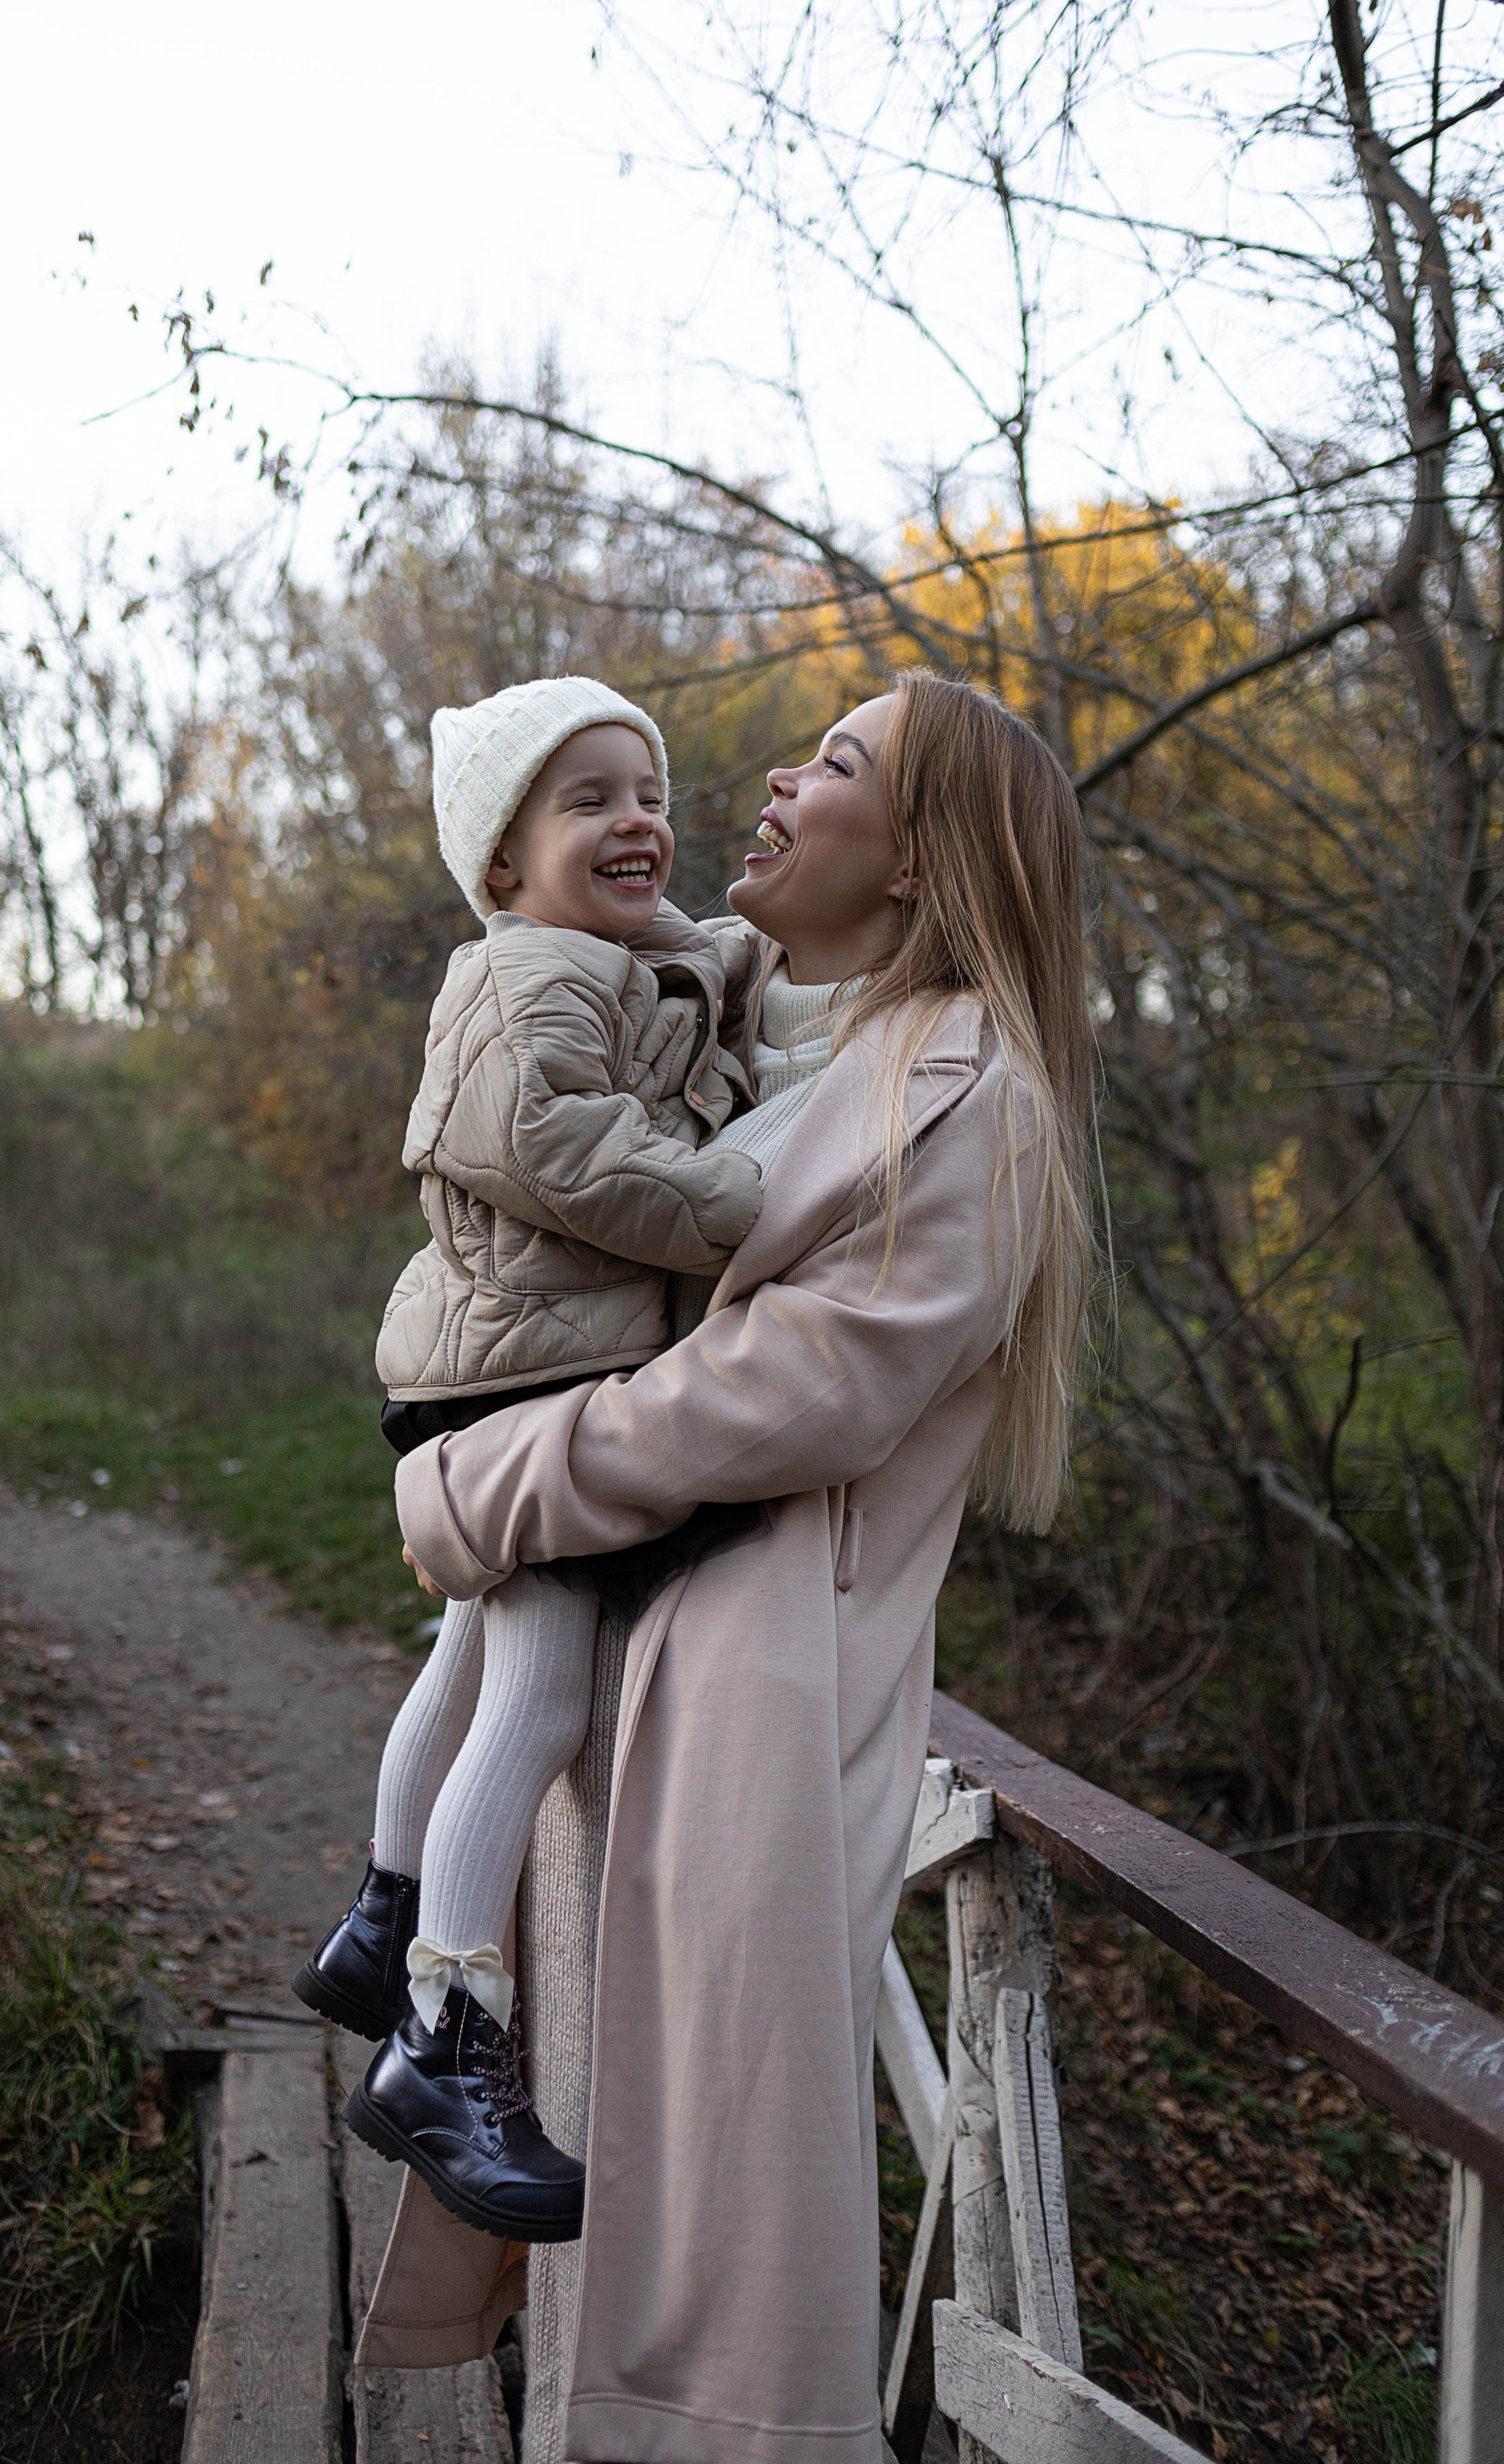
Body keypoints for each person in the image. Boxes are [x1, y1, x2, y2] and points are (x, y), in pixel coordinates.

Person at [361, 669, 1094, 2464]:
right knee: (595, 2170)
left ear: (921, 855)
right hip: (627, 1655)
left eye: (838, 762)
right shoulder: (763, 1023)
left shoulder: (970, 1101)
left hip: (752, 1701)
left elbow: (780, 1398)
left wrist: (468, 1489)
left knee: (702, 2243)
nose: (777, 777)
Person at [292, 674, 766, 2243]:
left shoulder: (607, 955)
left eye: (650, 792)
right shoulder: (519, 979)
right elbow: (549, 1143)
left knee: (469, 1648)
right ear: (500, 861)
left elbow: (715, 980)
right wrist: (736, 1205)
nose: (638, 822)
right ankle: (442, 2038)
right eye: (589, 802)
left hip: (506, 1368)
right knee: (541, 1690)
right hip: (520, 1381)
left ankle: (381, 1916)